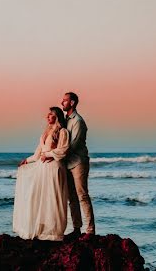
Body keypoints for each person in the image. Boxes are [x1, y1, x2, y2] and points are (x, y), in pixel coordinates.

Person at [12, 106, 70, 241]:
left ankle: (54, 232)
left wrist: (49, 154)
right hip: (42, 168)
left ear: (56, 116)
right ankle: (42, 230)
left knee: (52, 198)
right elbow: (38, 154)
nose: (47, 117)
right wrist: (26, 160)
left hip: (54, 168)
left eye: (50, 115)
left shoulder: (62, 132)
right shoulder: (45, 133)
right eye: (47, 115)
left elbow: (63, 150)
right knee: (40, 198)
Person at [62, 91, 95, 236]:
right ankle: (76, 229)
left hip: (78, 162)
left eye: (64, 100)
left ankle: (90, 230)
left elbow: (73, 145)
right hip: (67, 163)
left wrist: (54, 156)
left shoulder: (78, 121)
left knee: (82, 195)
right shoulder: (65, 119)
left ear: (72, 103)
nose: (62, 102)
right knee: (71, 197)